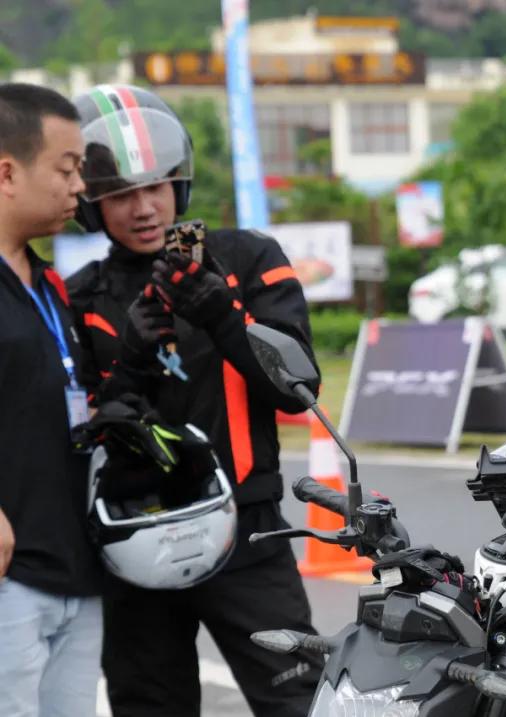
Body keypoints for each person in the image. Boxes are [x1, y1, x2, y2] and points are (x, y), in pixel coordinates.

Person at [66, 84, 321, 716]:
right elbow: (79, 434)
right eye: (121, 195)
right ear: (91, 205)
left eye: (156, 187)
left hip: (251, 531)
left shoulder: (249, 258)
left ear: (179, 184)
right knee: (148, 707)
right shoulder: (78, 296)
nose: (143, 208)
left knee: (300, 702)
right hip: (131, 536)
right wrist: (130, 362)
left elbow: (300, 393)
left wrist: (224, 317)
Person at [0, 82, 103, 717]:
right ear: (7, 173)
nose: (79, 187)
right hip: (10, 579)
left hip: (75, 574)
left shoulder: (49, 284)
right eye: (66, 170)